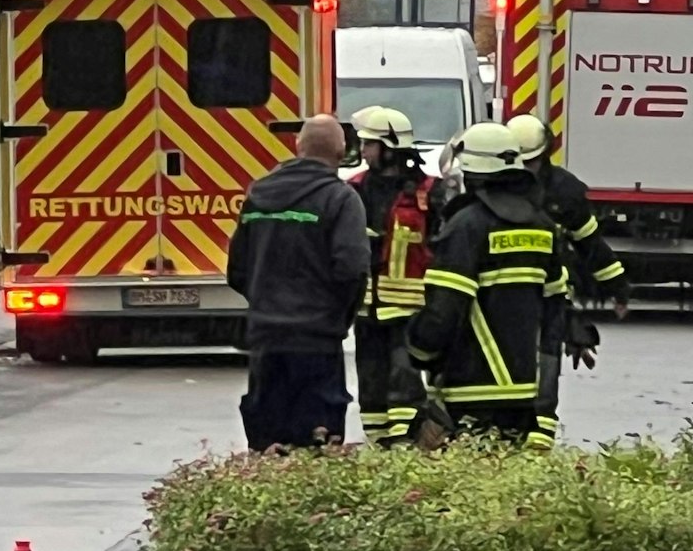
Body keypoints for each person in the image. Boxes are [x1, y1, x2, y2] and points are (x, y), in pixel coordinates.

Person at [406, 122, 578, 450]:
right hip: (524, 392)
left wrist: (419, 350)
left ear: (471, 172)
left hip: (468, 389)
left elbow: (444, 310)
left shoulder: (466, 227)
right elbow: (554, 309)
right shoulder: (542, 227)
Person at [226, 114, 371, 450]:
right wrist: (338, 318)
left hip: (266, 340)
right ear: (341, 152)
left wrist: (265, 303)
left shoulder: (259, 194)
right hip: (317, 341)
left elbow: (237, 270)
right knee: (316, 443)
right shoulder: (341, 199)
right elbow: (352, 269)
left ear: (297, 146)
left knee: (269, 443)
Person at [344, 106, 437, 446]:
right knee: (370, 384)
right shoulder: (354, 189)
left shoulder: (429, 193)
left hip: (410, 309)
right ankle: (378, 448)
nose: (363, 151)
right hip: (368, 308)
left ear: (389, 147)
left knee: (405, 382)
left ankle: (405, 447)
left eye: (369, 144)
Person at [505, 114, 629, 320]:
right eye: (519, 162)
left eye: (531, 162)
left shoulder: (564, 191)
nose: (525, 169)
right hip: (500, 296)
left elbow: (589, 243)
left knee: (546, 351)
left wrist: (618, 288)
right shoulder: (491, 188)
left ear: (544, 154)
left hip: (552, 298)